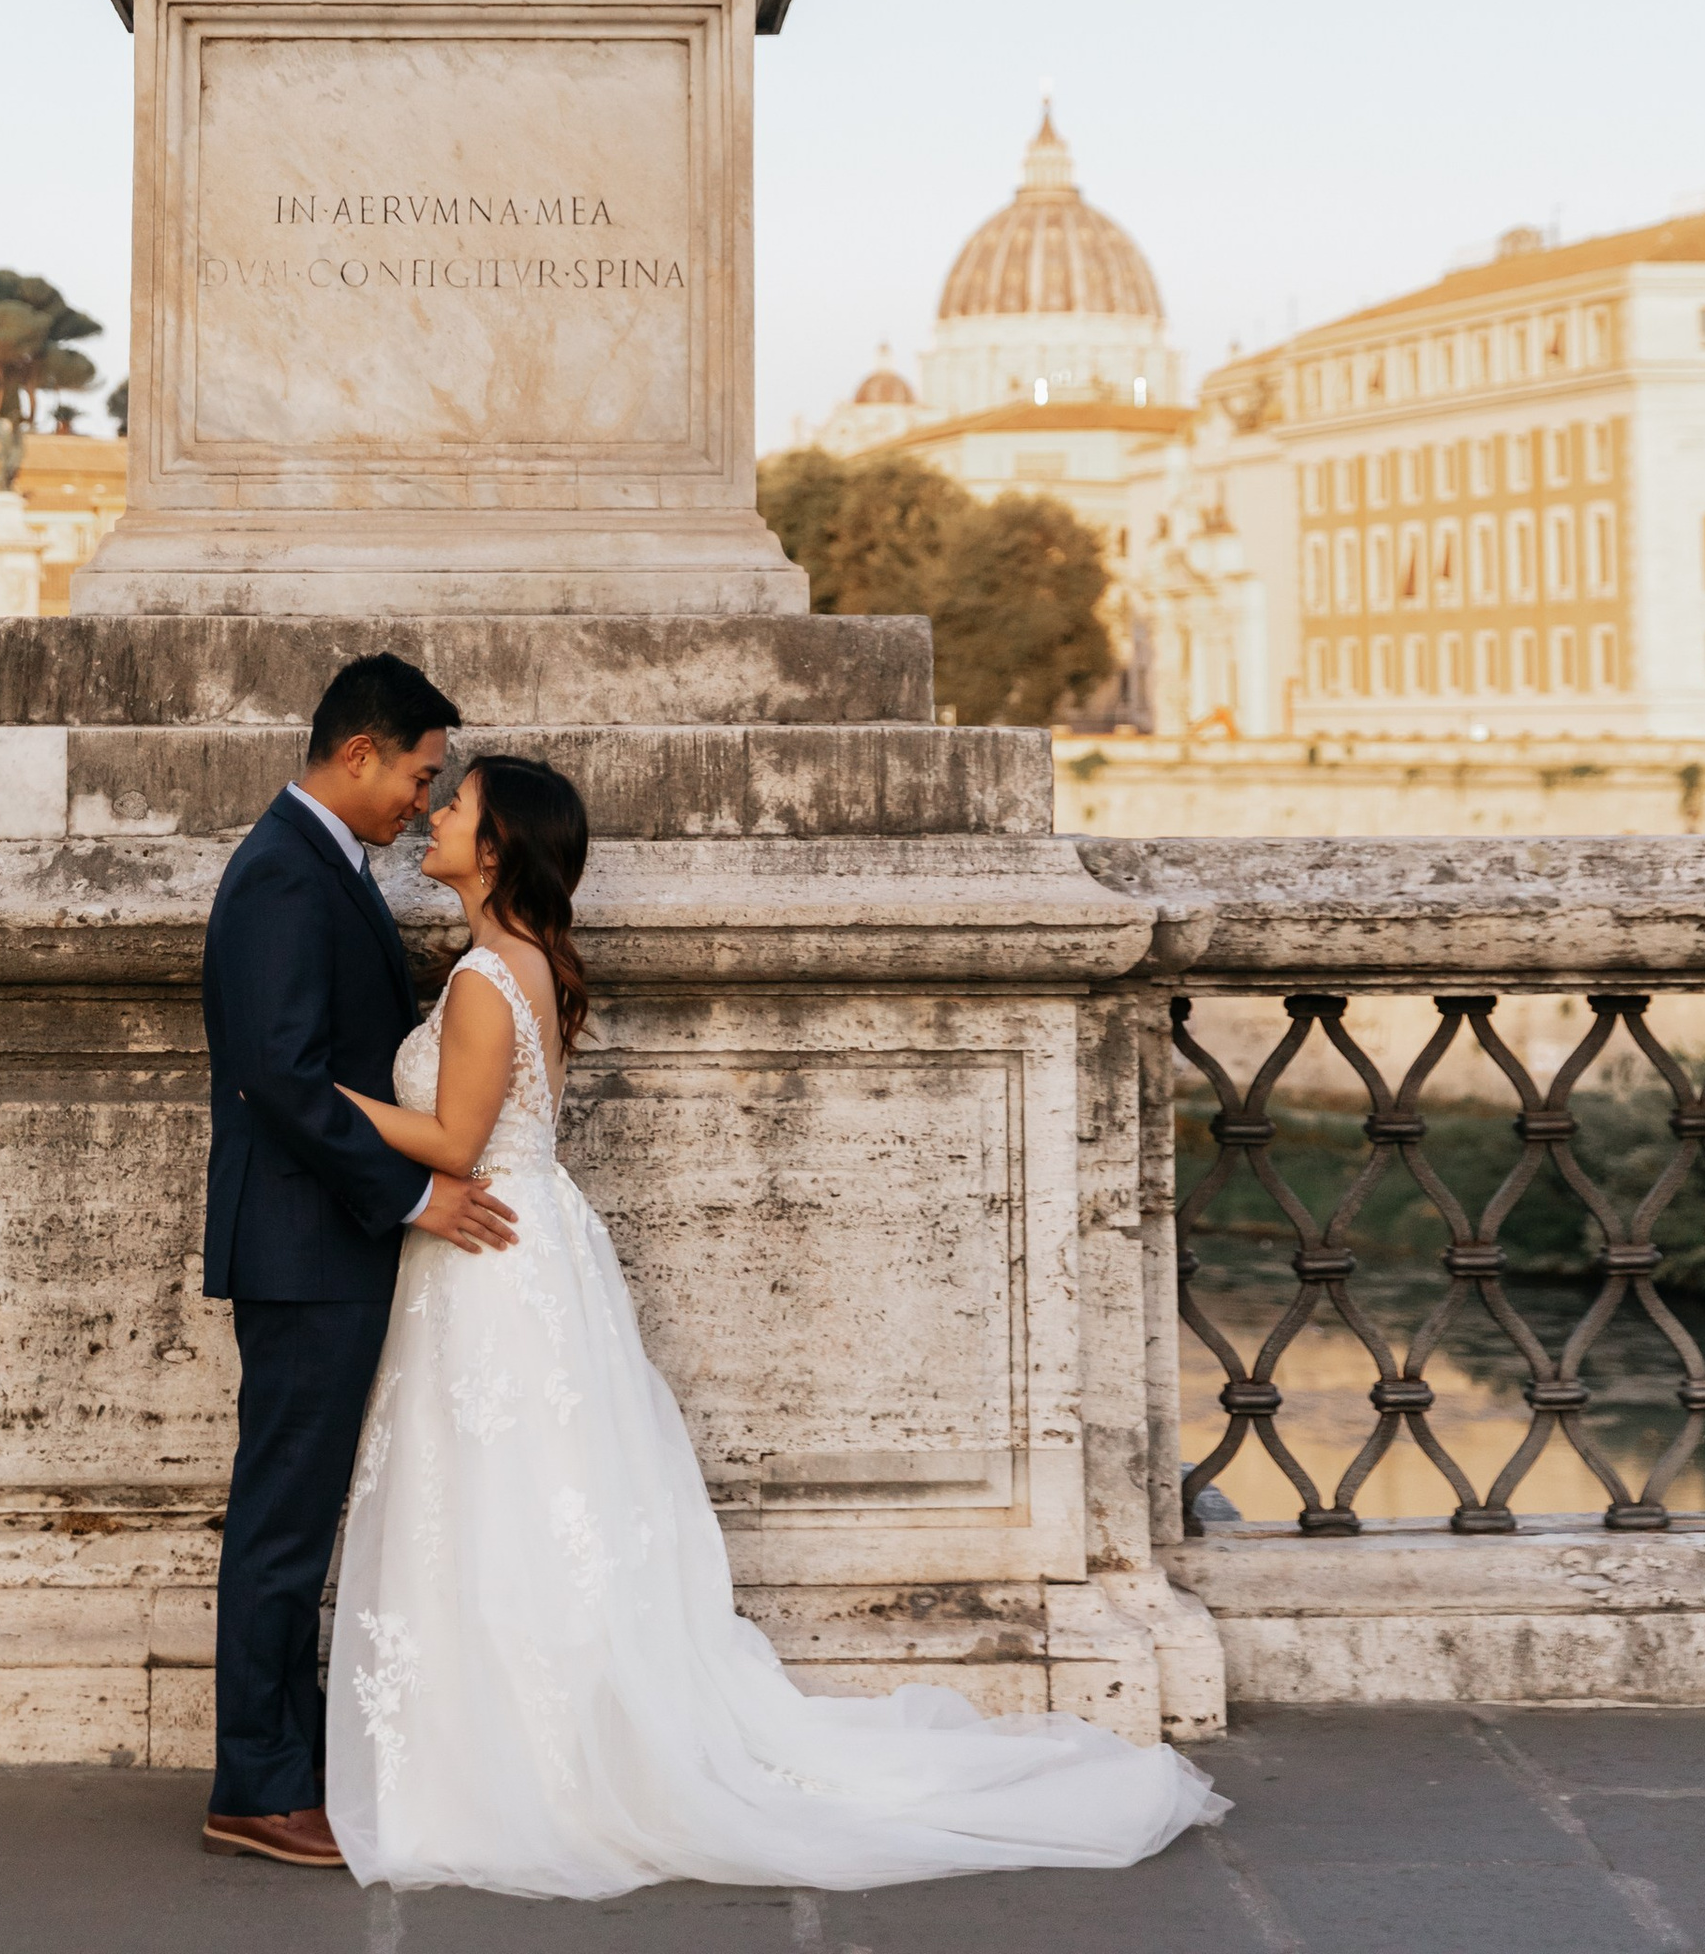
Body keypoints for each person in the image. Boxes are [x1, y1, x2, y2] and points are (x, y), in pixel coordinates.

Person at [324, 754, 1224, 1898]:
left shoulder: (479, 982)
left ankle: (505, 1769)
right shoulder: (525, 967)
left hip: (492, 1257)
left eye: (451, 807)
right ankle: (517, 1750)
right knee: (532, 1504)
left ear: (494, 847)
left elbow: (454, 1143)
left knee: (499, 1498)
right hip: (524, 1248)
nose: (431, 816)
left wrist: (319, 1096)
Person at [199, 652, 518, 1868]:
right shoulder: (284, 875)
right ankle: (259, 1784)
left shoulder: (317, 866)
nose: (425, 805)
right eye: (420, 777)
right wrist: (412, 1193)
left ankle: (285, 1760)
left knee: (298, 1512)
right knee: (283, 1521)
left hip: (317, 1237)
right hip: (305, 1243)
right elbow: (279, 1075)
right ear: (357, 755)